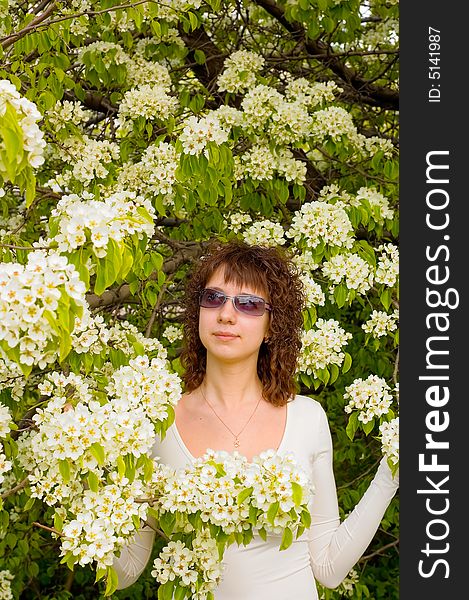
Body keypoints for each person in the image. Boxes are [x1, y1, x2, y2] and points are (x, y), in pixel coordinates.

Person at [112, 239, 399, 599]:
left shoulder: (307, 418)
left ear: (270, 327)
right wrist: (86, 489)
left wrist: (391, 473)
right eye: (213, 298)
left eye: (248, 304)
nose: (226, 315)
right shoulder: (155, 423)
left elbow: (328, 567)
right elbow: (127, 571)